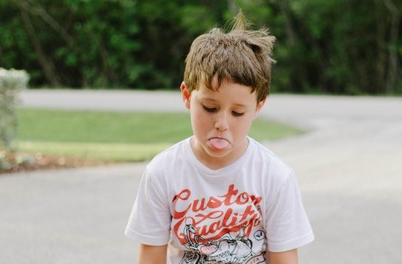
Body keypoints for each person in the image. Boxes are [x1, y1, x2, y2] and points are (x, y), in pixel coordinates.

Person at [125, 10, 314, 264]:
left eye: (237, 112)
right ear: (187, 96)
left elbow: (284, 258)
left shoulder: (275, 177)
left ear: (258, 107)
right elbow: (151, 255)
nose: (221, 124)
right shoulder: (163, 172)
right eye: (210, 108)